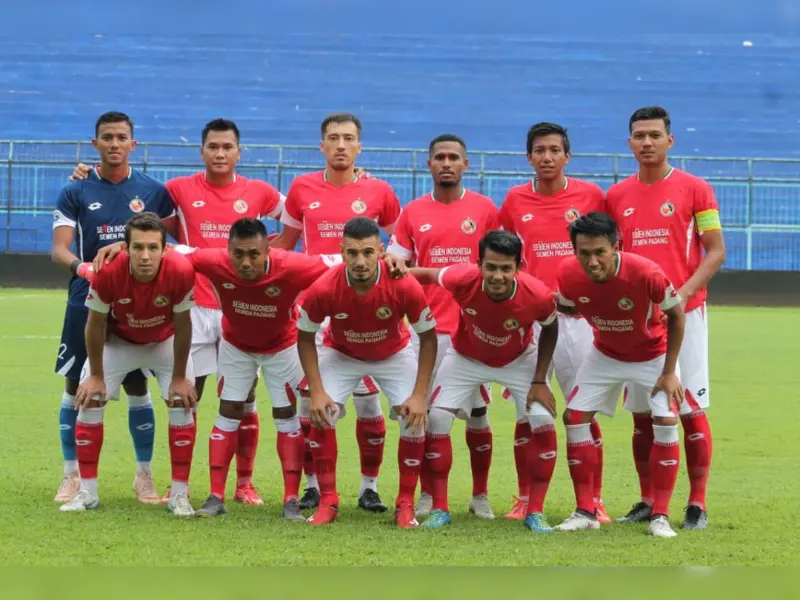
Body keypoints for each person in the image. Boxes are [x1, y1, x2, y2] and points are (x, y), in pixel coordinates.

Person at [77, 118, 286, 505]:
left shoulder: (260, 191)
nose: (220, 153)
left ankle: (244, 483)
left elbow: (297, 216)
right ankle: (186, 485)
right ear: (201, 151)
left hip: (241, 306)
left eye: (227, 147)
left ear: (239, 152)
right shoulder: (177, 189)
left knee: (245, 396)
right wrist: (91, 180)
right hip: (196, 306)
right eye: (213, 147)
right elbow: (143, 223)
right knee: (188, 395)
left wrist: (271, 257)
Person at [163, 218, 340, 519]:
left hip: (283, 346)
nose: (245, 262)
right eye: (238, 254)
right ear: (228, 250)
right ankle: (216, 497)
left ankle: (291, 500)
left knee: (286, 416)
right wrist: (119, 248)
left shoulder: (293, 265)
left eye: (254, 254)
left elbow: (341, 262)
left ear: (268, 250)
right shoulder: (213, 261)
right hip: (236, 346)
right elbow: (169, 250)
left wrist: (388, 259)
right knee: (228, 411)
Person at [605, 106, 725, 530]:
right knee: (642, 412)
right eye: (639, 135)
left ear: (669, 140)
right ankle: (647, 499)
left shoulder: (696, 189)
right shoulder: (616, 196)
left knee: (689, 408)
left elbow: (716, 250)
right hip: (637, 321)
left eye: (654, 135)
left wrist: (681, 295)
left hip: (684, 315)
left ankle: (697, 502)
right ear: (629, 143)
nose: (647, 142)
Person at [281, 113, 403, 513]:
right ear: (321, 145)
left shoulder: (379, 190)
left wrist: (396, 267)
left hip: (366, 308)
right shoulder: (301, 188)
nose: (340, 145)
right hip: (316, 308)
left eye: (348, 138)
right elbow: (285, 244)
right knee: (310, 402)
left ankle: (370, 487)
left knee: (368, 403)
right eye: (333, 138)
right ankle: (313, 487)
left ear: (359, 146)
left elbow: (401, 242)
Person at [52, 111, 176, 504]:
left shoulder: (154, 191)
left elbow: (172, 243)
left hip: (138, 302)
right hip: (85, 298)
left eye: (122, 137)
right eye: (107, 137)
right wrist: (85, 268)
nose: (114, 144)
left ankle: (144, 476)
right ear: (96, 144)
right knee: (77, 385)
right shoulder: (75, 190)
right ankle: (71, 474)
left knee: (138, 385)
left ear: (133, 144)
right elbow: (58, 249)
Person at [406, 230, 560, 532]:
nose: (497, 276)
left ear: (519, 267)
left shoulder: (537, 294)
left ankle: (535, 511)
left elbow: (551, 328)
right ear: (479, 265)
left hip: (518, 359)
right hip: (466, 357)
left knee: (543, 420)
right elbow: (424, 274)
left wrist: (540, 380)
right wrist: (390, 270)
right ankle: (440, 508)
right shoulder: (462, 278)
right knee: (437, 419)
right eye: (490, 267)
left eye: (506, 268)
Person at [386, 133, 501, 520]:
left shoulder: (485, 210)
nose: (447, 163)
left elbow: (498, 267)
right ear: (429, 164)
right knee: (423, 415)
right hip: (427, 331)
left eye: (454, 157)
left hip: (473, 331)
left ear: (465, 164)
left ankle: (480, 495)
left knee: (478, 414)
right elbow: (396, 266)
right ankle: (426, 495)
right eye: (440, 157)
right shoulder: (412, 212)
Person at [499, 122, 609, 522]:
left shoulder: (591, 196)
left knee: (584, 410)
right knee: (527, 412)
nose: (547, 157)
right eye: (540, 150)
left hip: (577, 322)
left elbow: (607, 252)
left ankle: (594, 499)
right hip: (531, 322)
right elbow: (506, 257)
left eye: (554, 150)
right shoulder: (514, 200)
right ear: (528, 157)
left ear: (567, 156)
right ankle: (525, 497)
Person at [296, 217, 436, 527]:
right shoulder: (324, 287)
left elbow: (428, 338)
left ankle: (405, 504)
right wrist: (316, 391)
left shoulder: (403, 284)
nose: (360, 261)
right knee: (320, 411)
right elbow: (305, 337)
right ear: (341, 251)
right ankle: (328, 501)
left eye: (368, 252)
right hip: (342, 353)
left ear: (381, 252)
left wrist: (419, 394)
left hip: (394, 354)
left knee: (414, 418)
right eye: (353, 253)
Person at [553, 212, 685, 538]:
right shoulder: (567, 272)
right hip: (605, 354)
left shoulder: (646, 273)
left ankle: (660, 516)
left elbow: (677, 314)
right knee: (574, 417)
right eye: (584, 253)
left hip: (652, 355)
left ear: (616, 247)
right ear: (574, 251)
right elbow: (570, 305)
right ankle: (586, 511)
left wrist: (669, 372)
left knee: (665, 421)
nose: (592, 261)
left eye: (600, 252)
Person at [60, 213, 197, 516]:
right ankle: (87, 493)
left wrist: (178, 377)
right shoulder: (108, 270)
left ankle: (179, 495)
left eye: (152, 247)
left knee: (182, 402)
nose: (145, 256)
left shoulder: (181, 270)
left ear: (165, 249)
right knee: (90, 399)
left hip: (163, 343)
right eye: (138, 247)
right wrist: (96, 376)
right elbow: (95, 324)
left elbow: (184, 325)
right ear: (126, 248)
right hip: (119, 343)